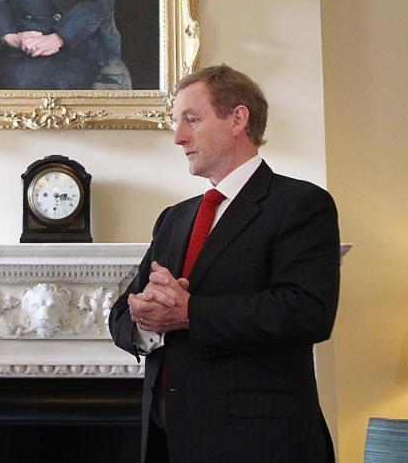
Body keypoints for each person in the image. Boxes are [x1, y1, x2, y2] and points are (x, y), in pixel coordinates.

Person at [108, 65, 341, 462]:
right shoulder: (174, 218)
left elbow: (308, 312)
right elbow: (122, 316)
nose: (178, 137)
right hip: (169, 443)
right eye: (176, 122)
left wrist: (190, 312)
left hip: (261, 446)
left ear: (238, 118)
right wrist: (145, 317)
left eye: (191, 120)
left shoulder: (301, 204)